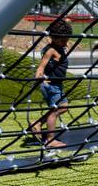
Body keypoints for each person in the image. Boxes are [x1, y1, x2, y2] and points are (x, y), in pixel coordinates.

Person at [30, 19, 72, 148]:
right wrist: (40, 75)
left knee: (62, 107)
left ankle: (37, 124)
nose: (65, 42)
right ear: (53, 38)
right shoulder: (51, 50)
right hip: (51, 85)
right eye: (62, 40)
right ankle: (49, 140)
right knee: (56, 110)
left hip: (56, 84)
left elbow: (61, 40)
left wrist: (64, 23)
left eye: (66, 39)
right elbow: (41, 66)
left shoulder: (58, 46)